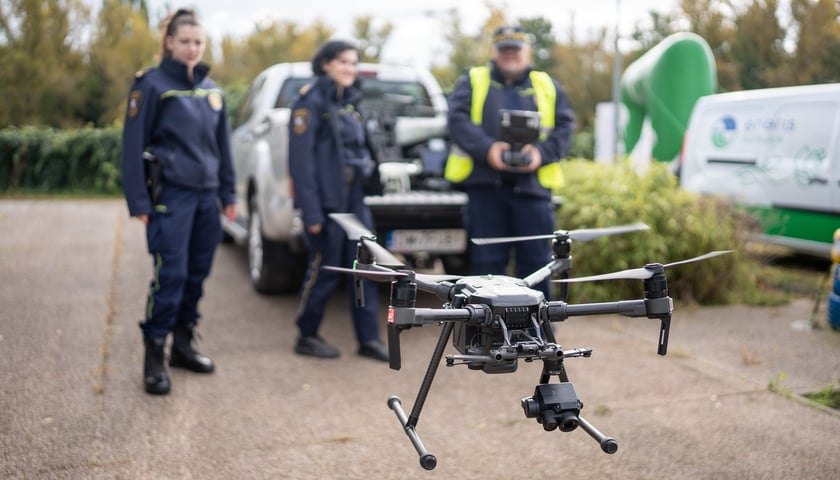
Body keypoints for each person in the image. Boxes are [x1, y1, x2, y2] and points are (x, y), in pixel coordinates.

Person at [121, 8, 237, 395]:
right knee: (170, 276)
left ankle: (183, 347)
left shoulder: (212, 91)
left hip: (207, 200)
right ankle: (154, 355)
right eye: (185, 41)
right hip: (171, 198)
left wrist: (229, 193)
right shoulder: (151, 86)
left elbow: (224, 149)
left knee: (196, 275)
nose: (192, 49)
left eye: (198, 43)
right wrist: (139, 200)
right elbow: (132, 146)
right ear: (169, 43)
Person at [445, 25, 575, 299]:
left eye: (515, 49)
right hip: (485, 190)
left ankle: (539, 335)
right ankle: (486, 335)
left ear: (526, 51)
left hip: (532, 192)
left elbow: (565, 127)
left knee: (538, 266)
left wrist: (540, 154)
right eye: (504, 49)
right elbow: (457, 121)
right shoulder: (473, 79)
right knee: (485, 267)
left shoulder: (546, 84)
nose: (510, 55)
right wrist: (488, 149)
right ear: (494, 52)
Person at [287, 40, 389, 362]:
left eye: (354, 63)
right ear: (326, 64)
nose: (350, 69)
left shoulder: (351, 101)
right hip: (328, 202)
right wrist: (312, 212)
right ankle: (307, 333)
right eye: (344, 62)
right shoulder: (310, 102)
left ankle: (368, 339)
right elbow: (301, 165)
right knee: (326, 270)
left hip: (355, 197)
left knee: (365, 268)